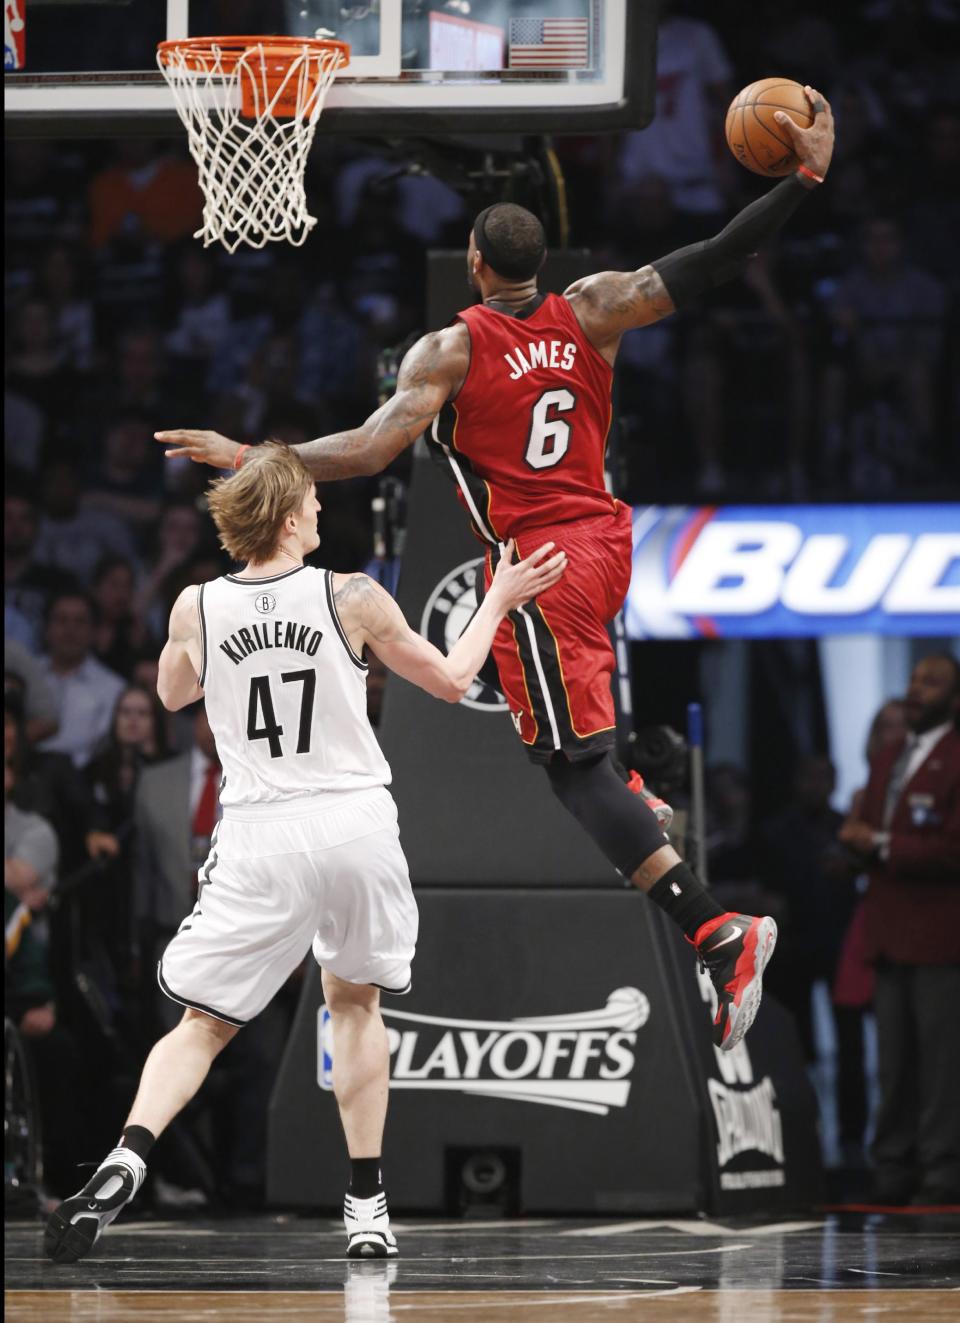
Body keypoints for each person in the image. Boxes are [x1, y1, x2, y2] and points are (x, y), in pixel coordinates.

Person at [157, 87, 836, 1054]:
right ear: (539, 264)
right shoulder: (596, 306)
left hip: (540, 564)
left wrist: (257, 456)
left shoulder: (454, 349)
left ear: (475, 264)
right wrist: (802, 179)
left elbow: (369, 449)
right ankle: (640, 801)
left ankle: (717, 932)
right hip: (605, 547)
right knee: (583, 747)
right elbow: (715, 259)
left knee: (570, 769)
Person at [44, 442, 565, 1265]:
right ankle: (365, 1202)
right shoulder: (352, 595)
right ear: (290, 517)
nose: (324, 509)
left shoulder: (196, 605)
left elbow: (173, 694)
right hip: (352, 823)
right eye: (315, 502)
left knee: (204, 1024)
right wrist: (497, 595)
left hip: (260, 834)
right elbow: (452, 678)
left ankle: (127, 1156)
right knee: (354, 1005)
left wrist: (196, 633)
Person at [838, 654, 960, 1206]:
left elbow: (952, 849)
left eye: (930, 683)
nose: (916, 690)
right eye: (913, 679)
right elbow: (870, 828)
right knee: (891, 1062)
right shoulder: (890, 754)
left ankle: (941, 1171)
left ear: (954, 697)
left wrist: (881, 844)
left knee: (939, 1064)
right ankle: (891, 1166)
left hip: (940, 934)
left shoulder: (956, 755)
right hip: (886, 930)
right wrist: (858, 841)